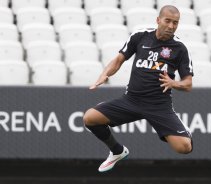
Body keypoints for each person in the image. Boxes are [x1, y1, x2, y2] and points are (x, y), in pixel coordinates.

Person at [83, 5, 194, 172]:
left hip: (159, 105)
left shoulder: (179, 48)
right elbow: (119, 60)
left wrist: (173, 83)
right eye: (168, 21)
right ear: (158, 20)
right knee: (89, 118)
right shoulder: (140, 36)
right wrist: (105, 74)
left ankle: (184, 132)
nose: (171, 26)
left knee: (184, 148)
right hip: (132, 100)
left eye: (175, 23)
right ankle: (117, 151)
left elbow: (188, 84)